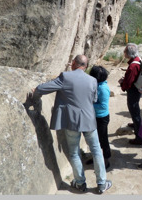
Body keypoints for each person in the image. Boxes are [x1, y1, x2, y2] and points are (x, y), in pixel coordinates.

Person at [31, 55, 112, 194]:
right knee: (97, 150)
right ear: (86, 66)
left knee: (74, 153)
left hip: (71, 122)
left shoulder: (65, 77)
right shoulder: (93, 80)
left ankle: (80, 183)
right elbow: (94, 99)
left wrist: (35, 95)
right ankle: (101, 183)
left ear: (73, 63)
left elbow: (43, 88)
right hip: (89, 121)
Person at [85, 66, 111, 169]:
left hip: (101, 118)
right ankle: (96, 157)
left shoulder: (103, 88)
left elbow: (103, 106)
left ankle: (106, 160)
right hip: (94, 116)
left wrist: (89, 104)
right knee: (94, 139)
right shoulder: (97, 85)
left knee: (103, 139)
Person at [118, 43, 142, 145]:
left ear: (128, 53)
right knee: (135, 109)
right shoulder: (138, 59)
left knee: (134, 111)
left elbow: (128, 83)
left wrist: (122, 84)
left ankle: (139, 137)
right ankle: (135, 124)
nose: (124, 53)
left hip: (133, 90)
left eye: (125, 51)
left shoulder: (133, 66)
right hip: (138, 88)